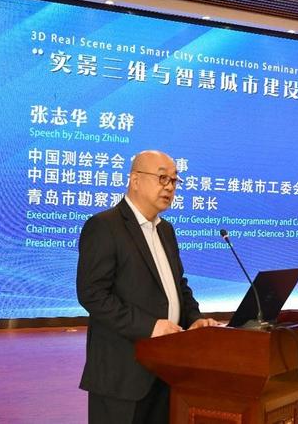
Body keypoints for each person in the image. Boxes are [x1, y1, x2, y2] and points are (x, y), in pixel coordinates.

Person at [76, 150, 218, 424]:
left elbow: (178, 286)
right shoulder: (104, 226)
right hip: (122, 376)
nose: (169, 187)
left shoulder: (166, 230)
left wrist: (195, 319)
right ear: (135, 180)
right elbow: (92, 294)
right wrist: (150, 327)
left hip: (166, 371)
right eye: (162, 178)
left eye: (174, 180)